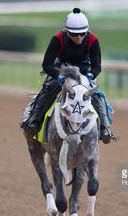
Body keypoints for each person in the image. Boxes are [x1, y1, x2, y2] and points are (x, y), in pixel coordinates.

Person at [21, 8, 115, 144]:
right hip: (61, 69)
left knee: (95, 94)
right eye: (74, 34)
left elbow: (97, 66)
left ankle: (105, 128)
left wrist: (90, 76)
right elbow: (47, 64)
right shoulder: (58, 38)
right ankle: (34, 121)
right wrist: (58, 76)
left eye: (82, 34)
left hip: (84, 71)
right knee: (49, 88)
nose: (79, 38)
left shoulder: (93, 40)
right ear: (66, 32)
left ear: (87, 31)